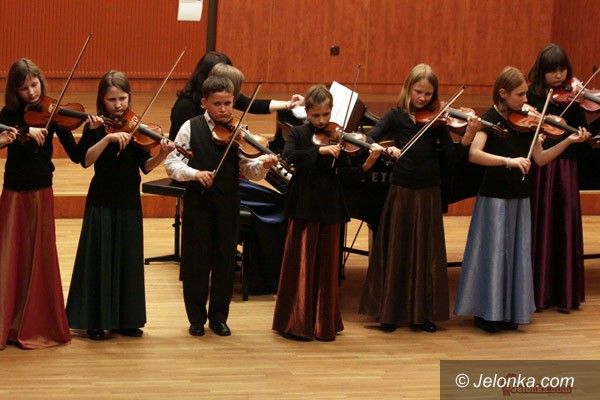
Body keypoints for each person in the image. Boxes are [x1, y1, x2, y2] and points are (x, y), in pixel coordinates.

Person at [454, 66, 590, 333]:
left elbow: (540, 158)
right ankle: (488, 313)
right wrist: (509, 161)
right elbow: (474, 154)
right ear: (503, 94)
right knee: (493, 256)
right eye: (520, 95)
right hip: (494, 198)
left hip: (520, 199)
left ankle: (509, 311)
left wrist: (569, 142)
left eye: (526, 94)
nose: (526, 100)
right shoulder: (491, 118)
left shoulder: (528, 123)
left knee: (515, 257)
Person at [359, 64, 479, 333]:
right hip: (401, 190)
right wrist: (384, 149)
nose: (423, 98)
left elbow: (451, 157)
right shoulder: (395, 116)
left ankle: (421, 315)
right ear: (408, 89)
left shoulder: (437, 122)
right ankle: (389, 313)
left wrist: (468, 137)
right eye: (419, 92)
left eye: (428, 93)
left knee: (425, 253)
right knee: (397, 250)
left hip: (429, 192)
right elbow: (369, 138)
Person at [165, 75, 278, 337]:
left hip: (228, 202)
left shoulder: (238, 132)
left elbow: (248, 170)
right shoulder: (190, 127)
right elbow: (172, 163)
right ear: (204, 102)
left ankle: (218, 317)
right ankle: (196, 318)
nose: (224, 109)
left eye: (228, 103)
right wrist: (195, 174)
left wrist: (262, 165)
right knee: (196, 261)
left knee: (225, 261)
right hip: (198, 203)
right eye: (218, 104)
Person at [66, 70, 175, 340]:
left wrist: (162, 154)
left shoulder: (135, 127)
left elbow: (145, 167)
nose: (118, 105)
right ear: (101, 100)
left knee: (127, 260)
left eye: (122, 98)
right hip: (102, 199)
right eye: (112, 99)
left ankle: (126, 320)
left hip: (129, 200)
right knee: (100, 261)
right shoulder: (94, 127)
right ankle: (95, 321)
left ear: (129, 97)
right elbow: (85, 160)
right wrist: (106, 138)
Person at [272, 84, 382, 341]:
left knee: (326, 266)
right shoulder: (298, 133)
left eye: (326, 114)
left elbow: (348, 175)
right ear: (307, 113)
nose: (321, 121)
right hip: (305, 204)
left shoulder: (337, 135)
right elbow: (288, 157)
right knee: (302, 262)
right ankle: (297, 321)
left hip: (330, 205)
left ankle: (323, 321)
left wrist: (368, 163)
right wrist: (318, 151)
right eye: (316, 115)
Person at [0, 58, 79, 350]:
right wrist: (22, 132)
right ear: (15, 91)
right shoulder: (8, 114)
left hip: (42, 191)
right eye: (24, 88)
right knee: (9, 256)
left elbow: (77, 156)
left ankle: (37, 323)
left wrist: (95, 131)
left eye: (34, 84)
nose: (32, 92)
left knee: (39, 257)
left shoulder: (52, 111)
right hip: (14, 192)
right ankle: (7, 322)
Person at [527, 44, 590, 312]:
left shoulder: (573, 99)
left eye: (563, 69)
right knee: (541, 224)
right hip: (542, 170)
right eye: (552, 70)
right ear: (541, 71)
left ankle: (565, 293)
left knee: (564, 224)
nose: (559, 75)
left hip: (565, 169)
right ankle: (538, 293)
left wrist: (583, 133)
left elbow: (580, 130)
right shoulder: (531, 97)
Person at [169, 51, 304, 140]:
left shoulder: (222, 94)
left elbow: (251, 104)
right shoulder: (185, 106)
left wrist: (288, 104)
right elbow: (185, 142)